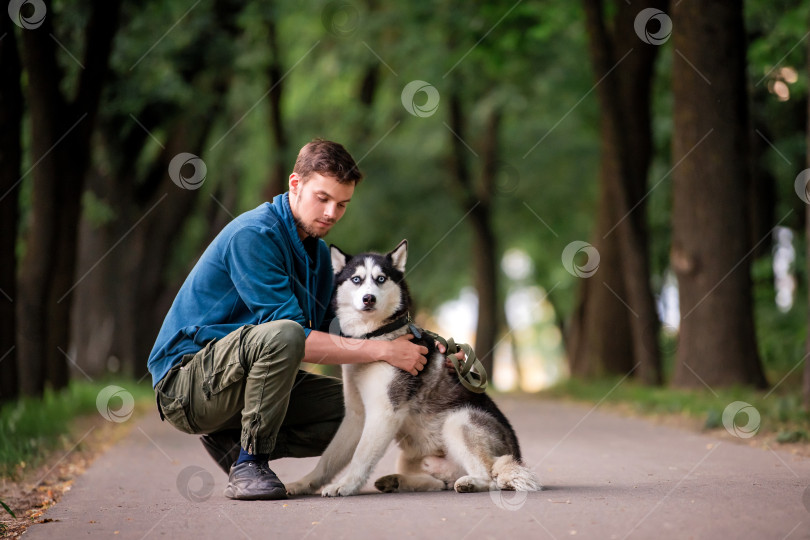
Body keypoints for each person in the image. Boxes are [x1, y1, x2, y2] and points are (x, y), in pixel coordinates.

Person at [147, 139, 432, 501]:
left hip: (240, 382)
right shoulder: (254, 236)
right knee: (286, 333)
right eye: (323, 198)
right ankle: (251, 463)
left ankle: (232, 445)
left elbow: (346, 326)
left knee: (371, 409)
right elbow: (302, 341)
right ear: (295, 185)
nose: (331, 212)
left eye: (342, 204)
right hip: (186, 384)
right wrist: (385, 352)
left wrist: (426, 343)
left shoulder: (315, 253)